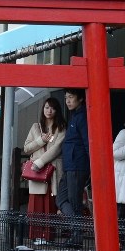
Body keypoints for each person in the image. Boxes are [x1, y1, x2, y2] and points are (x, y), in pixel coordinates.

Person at [23, 96, 66, 243]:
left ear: (57, 110)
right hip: (36, 172)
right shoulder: (36, 127)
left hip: (51, 170)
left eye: (52, 108)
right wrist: (41, 140)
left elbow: (57, 149)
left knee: (50, 203)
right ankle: (35, 235)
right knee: (35, 204)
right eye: (47, 107)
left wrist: (40, 162)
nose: (49, 110)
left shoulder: (61, 128)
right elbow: (27, 148)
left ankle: (47, 236)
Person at [57, 88, 90, 219]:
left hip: (78, 165)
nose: (68, 101)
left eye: (71, 97)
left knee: (74, 201)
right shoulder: (75, 116)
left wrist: (92, 166)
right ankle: (76, 232)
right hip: (70, 165)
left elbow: (88, 142)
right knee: (61, 199)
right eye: (66, 98)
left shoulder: (82, 117)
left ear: (80, 98)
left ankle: (77, 236)